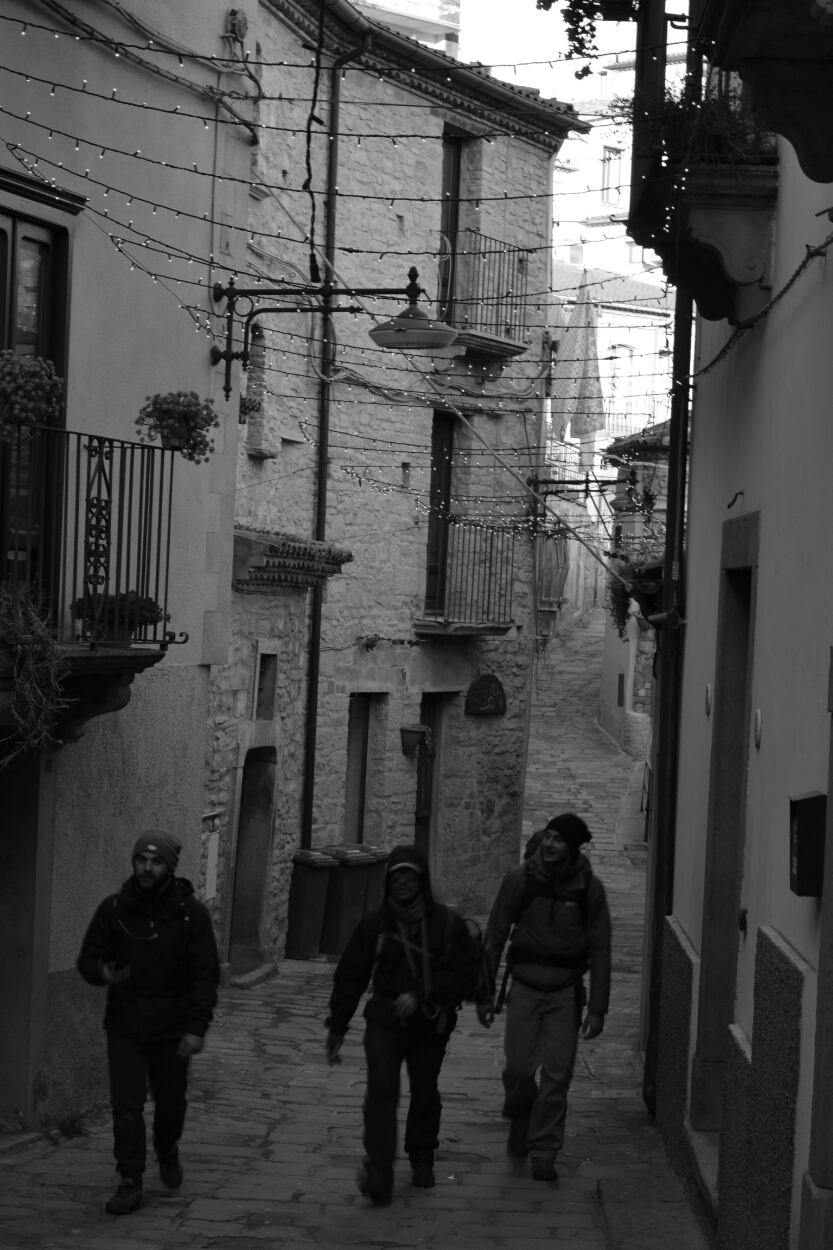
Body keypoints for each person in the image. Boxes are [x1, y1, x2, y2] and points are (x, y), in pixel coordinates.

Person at [324, 844, 479, 1206]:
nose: (403, 882)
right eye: (397, 876)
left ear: (422, 879)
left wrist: (424, 991)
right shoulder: (375, 924)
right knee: (380, 1090)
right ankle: (380, 1170)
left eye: (410, 874)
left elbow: (467, 977)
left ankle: (422, 1155)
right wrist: (336, 1027)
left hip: (430, 1022)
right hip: (385, 1019)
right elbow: (351, 975)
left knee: (424, 1090)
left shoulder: (446, 924)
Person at [77, 830, 220, 1215]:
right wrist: (104, 973)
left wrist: (196, 1027)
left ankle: (166, 1145)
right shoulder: (115, 909)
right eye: (142, 859)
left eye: (156, 862)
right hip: (125, 1023)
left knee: (170, 1103)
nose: (147, 867)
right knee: (126, 1104)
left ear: (169, 868)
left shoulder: (191, 914)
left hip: (173, 1028)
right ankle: (130, 1179)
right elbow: (88, 959)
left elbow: (206, 975)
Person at [479, 813, 611, 1183]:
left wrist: (597, 1009)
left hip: (566, 994)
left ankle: (544, 1151)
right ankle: (522, 1113)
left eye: (558, 839)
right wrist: (485, 993)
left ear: (573, 847)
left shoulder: (589, 890)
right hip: (524, 988)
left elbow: (601, 949)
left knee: (557, 1077)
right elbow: (495, 936)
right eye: (548, 837)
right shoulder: (519, 881)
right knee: (520, 1070)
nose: (550, 844)